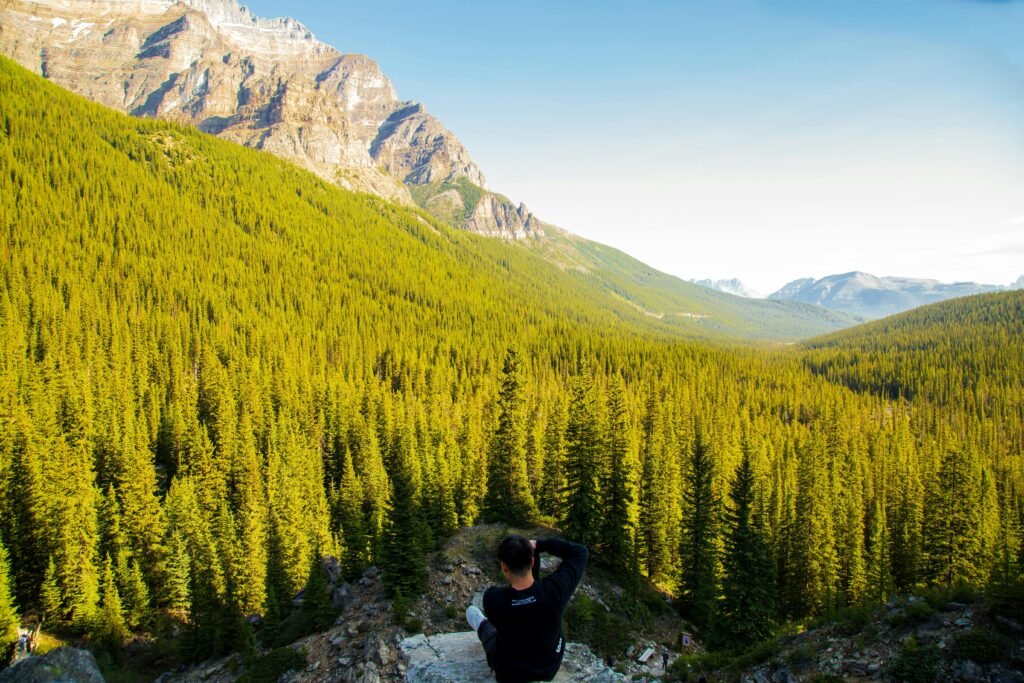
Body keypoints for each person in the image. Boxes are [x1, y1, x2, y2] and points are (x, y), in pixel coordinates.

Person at [466, 534, 588, 683]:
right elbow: (580, 552)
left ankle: (480, 623)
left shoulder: (493, 599)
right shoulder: (554, 591)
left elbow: (521, 602)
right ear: (532, 561)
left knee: (484, 625)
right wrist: (538, 544)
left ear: (504, 567)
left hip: (509, 673)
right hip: (548, 669)